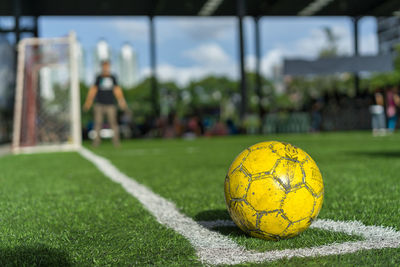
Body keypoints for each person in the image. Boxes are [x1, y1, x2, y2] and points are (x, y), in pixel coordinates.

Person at [83, 60, 127, 146]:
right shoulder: (99, 77)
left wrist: (121, 101)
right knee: (97, 123)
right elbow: (93, 90)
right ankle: (96, 142)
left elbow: (117, 90)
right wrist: (88, 102)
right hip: (99, 103)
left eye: (107, 66)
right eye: (104, 66)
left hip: (110, 104)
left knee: (113, 123)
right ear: (102, 67)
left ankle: (116, 142)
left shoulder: (113, 77)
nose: (106, 68)